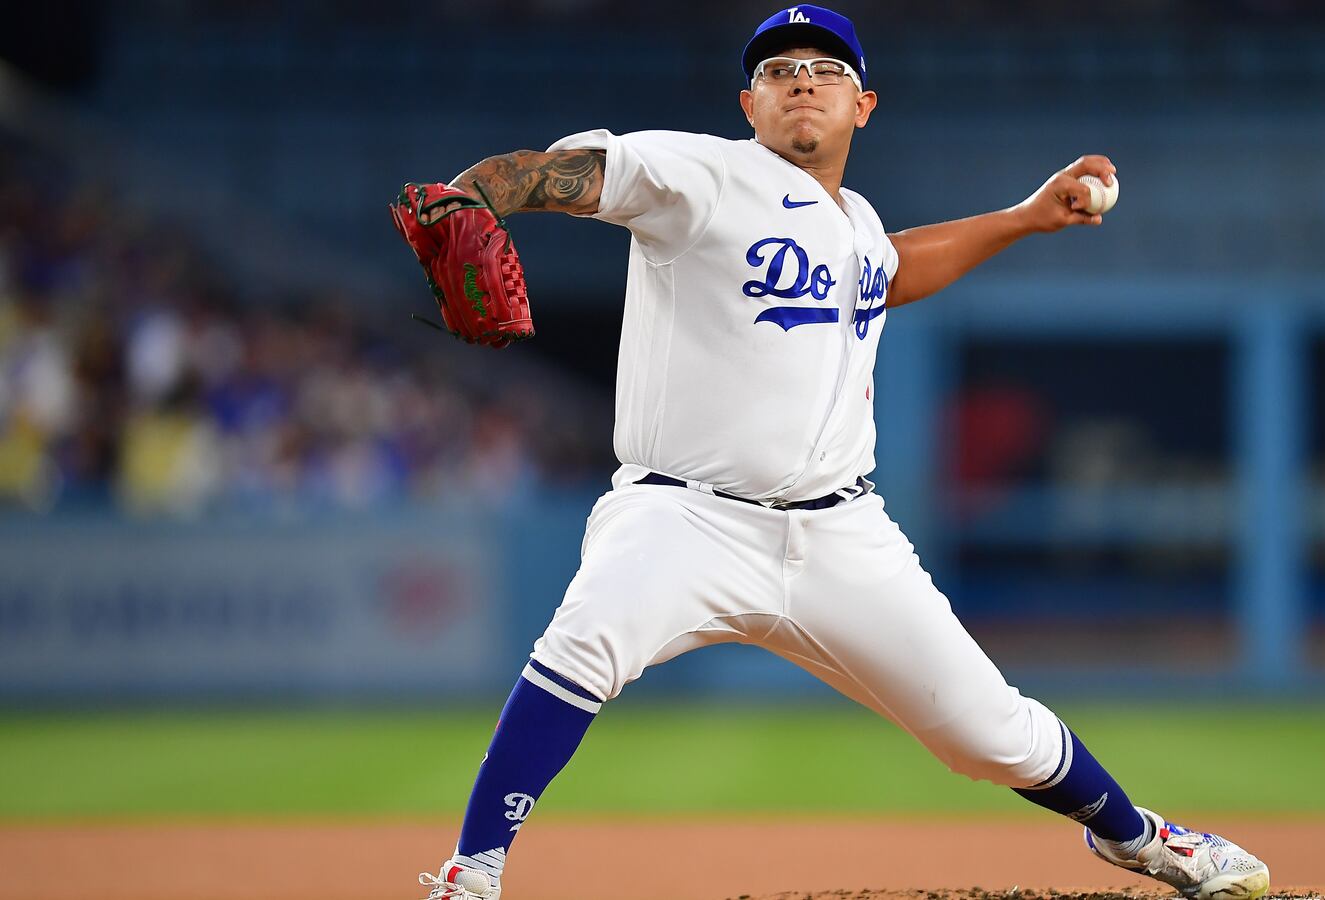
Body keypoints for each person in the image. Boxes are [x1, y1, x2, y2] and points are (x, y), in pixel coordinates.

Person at [415, 6, 1269, 899]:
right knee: (582, 643)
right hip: (683, 515)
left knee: (991, 733)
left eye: (825, 69)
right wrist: (477, 194)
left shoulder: (854, 221)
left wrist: (1023, 217)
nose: (802, 80)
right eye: (780, 69)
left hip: (839, 535)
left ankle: (1142, 839)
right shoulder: (703, 173)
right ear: (749, 102)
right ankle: (473, 871)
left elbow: (892, 270)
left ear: (863, 104)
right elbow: (565, 174)